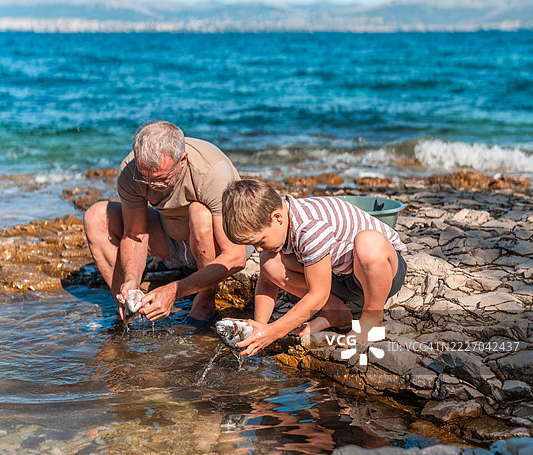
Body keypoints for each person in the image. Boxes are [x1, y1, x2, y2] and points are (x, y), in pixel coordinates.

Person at [84, 120, 247, 327]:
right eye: (146, 179)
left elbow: (235, 256)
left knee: (200, 213)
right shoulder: (131, 169)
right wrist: (132, 279)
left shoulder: (212, 171)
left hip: (219, 240)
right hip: (173, 238)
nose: (153, 186)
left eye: (162, 179)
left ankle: (205, 301)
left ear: (182, 160)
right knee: (96, 216)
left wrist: (173, 291)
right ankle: (126, 309)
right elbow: (135, 233)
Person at [221, 178, 407, 357]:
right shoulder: (282, 216)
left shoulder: (309, 227)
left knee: (368, 243)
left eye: (260, 242)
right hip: (339, 274)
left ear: (277, 217)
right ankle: (336, 312)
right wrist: (259, 328)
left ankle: (372, 317)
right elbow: (266, 282)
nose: (258, 249)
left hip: (379, 275)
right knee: (269, 264)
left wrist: (274, 331)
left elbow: (318, 294)